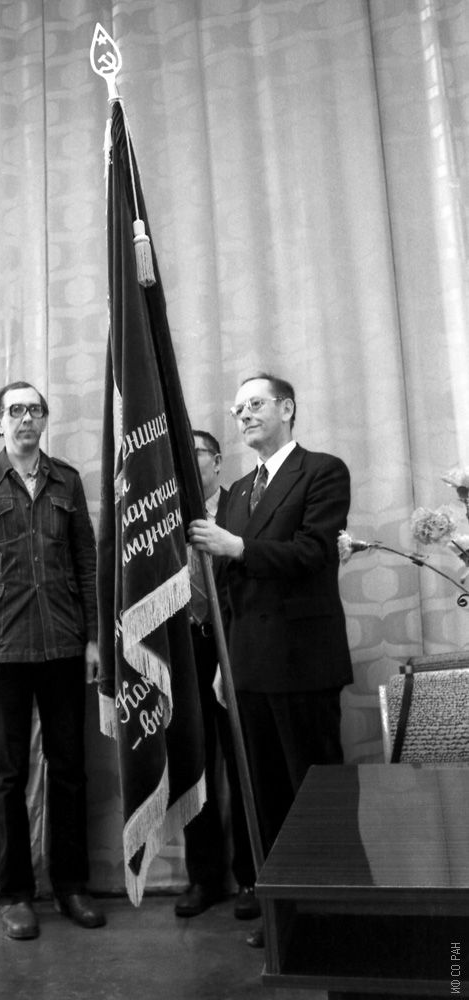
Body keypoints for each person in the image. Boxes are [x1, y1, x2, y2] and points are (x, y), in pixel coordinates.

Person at [188, 374, 353, 947]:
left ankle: (333, 914)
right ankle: (285, 915)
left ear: (287, 408)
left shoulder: (323, 471)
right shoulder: (237, 491)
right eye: (238, 409)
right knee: (266, 799)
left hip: (303, 662)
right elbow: (228, 589)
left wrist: (237, 546)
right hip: (248, 665)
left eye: (255, 404)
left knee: (316, 795)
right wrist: (223, 662)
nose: (244, 415)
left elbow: (312, 553)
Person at [0, 381, 105, 940]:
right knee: (7, 774)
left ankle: (71, 886)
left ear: (44, 420)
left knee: (69, 770)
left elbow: (87, 562)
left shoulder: (68, 480)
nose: (26, 419)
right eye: (15, 410)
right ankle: (15, 894)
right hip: (2, 649)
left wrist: (94, 641)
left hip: (64, 644)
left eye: (34, 410)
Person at [174, 431, 259, 921]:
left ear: (218, 461)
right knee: (195, 764)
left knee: (245, 761)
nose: (187, 464)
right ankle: (203, 877)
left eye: (196, 454)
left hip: (235, 644)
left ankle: (252, 876)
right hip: (186, 649)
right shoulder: (161, 519)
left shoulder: (242, 506)